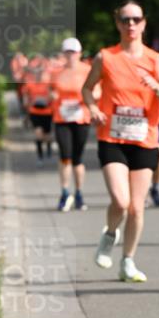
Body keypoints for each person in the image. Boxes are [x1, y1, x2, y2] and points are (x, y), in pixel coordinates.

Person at [82, 0, 159, 282]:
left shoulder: (155, 60)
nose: (131, 25)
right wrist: (93, 108)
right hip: (112, 137)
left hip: (145, 138)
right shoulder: (106, 57)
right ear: (118, 24)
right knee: (121, 201)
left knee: (137, 207)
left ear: (144, 23)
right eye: (125, 20)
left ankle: (128, 261)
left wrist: (158, 88)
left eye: (136, 19)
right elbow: (87, 89)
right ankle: (109, 235)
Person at [50, 37, 93, 211]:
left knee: (77, 159)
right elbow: (51, 90)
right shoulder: (56, 72)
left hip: (81, 118)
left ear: (79, 54)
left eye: (73, 52)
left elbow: (96, 90)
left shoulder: (88, 70)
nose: (70, 56)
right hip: (62, 118)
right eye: (67, 52)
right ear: (63, 54)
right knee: (65, 155)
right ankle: (64, 192)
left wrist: (88, 98)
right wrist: (53, 95)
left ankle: (79, 194)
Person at [22, 59, 54, 165]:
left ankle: (49, 149)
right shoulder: (29, 84)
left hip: (47, 112)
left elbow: (53, 97)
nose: (38, 74)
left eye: (40, 72)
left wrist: (48, 99)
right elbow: (26, 98)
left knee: (47, 135)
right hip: (34, 112)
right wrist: (26, 105)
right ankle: (40, 157)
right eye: (36, 72)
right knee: (38, 134)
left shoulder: (48, 84)